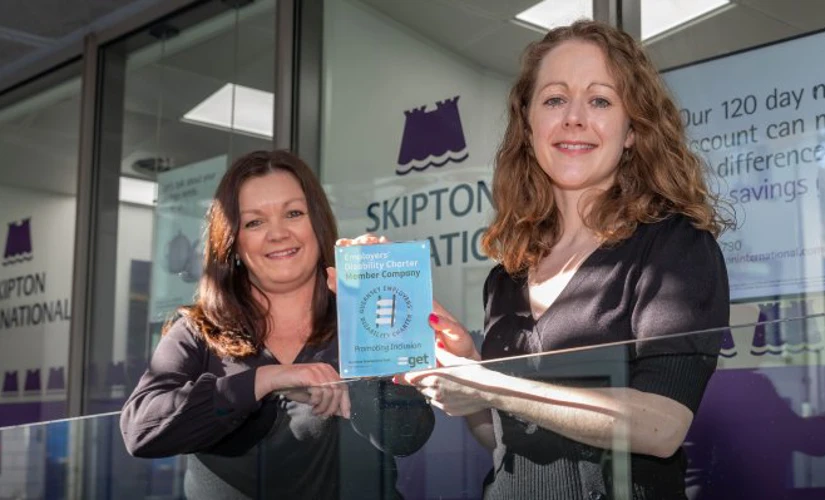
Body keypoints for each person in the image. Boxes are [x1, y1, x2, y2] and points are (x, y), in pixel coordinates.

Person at [399, 19, 732, 500]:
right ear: (529, 124)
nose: (574, 117)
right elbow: (501, 437)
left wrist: (490, 385)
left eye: (600, 100)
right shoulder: (506, 275)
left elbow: (662, 427)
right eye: (555, 99)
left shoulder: (674, 249)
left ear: (632, 130)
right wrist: (468, 376)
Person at [120, 150, 434, 500]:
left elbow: (408, 436)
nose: (278, 233)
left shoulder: (361, 316)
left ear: (318, 224)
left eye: (294, 213)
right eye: (255, 222)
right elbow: (141, 430)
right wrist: (263, 381)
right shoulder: (198, 329)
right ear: (233, 242)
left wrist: (375, 292)